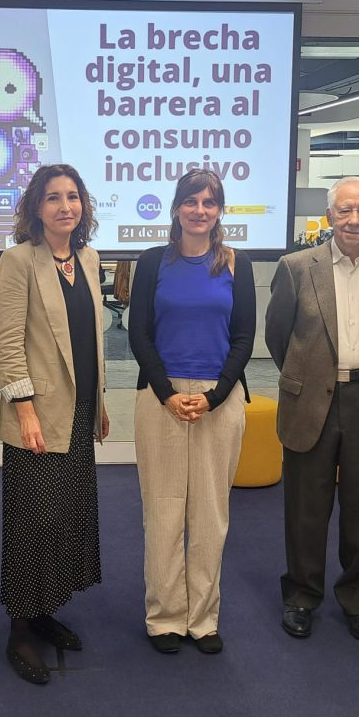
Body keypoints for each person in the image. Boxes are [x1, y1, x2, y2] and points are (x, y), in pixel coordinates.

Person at [265, 177, 359, 643]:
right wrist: (305, 377)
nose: (354, 220)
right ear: (330, 216)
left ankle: (357, 598)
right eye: (345, 210)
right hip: (310, 401)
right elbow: (277, 335)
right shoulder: (295, 267)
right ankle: (302, 596)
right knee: (306, 508)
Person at [128, 171, 255, 655]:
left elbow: (244, 337)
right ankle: (164, 618)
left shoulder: (236, 265)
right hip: (161, 398)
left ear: (219, 211)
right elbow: (139, 334)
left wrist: (216, 395)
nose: (199, 210)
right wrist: (166, 392)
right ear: (176, 207)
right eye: (191, 201)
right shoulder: (152, 261)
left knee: (210, 515)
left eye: (210, 202)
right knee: (162, 513)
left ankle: (203, 618)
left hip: (218, 402)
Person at [0, 164, 108, 685]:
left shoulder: (87, 257)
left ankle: (44, 611)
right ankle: (19, 629)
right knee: (32, 525)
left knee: (63, 521)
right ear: (35, 207)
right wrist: (24, 410)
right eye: (54, 197)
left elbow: (91, 339)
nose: (66, 206)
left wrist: (99, 401)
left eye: (73, 197)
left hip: (80, 412)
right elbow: (8, 345)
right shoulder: (18, 260)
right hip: (37, 418)